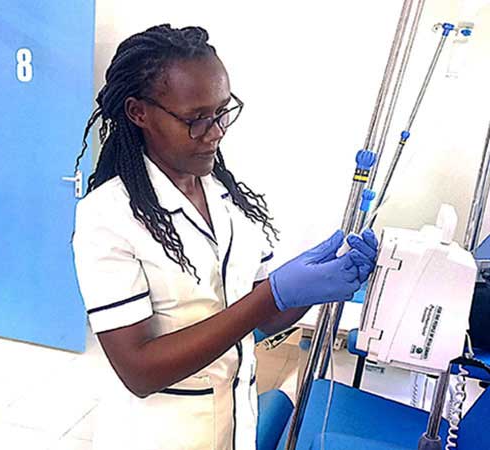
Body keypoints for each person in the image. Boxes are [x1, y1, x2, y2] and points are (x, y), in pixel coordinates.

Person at [72, 24, 378, 450]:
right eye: (196, 119)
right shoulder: (107, 216)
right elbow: (137, 369)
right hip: (160, 434)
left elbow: (259, 316)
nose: (215, 131)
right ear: (138, 112)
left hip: (235, 423)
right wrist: (272, 294)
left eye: (222, 112)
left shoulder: (225, 196)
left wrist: (315, 282)